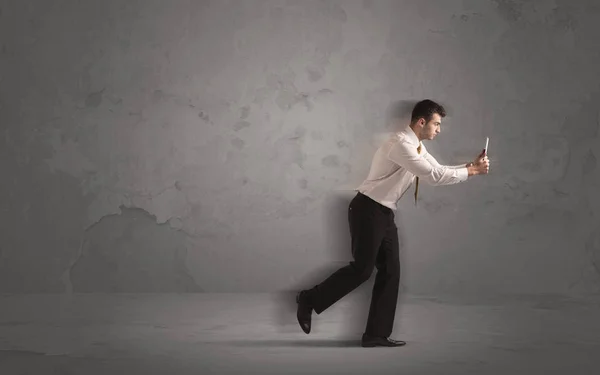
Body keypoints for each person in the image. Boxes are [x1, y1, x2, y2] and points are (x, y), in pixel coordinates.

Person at [296, 99, 490, 347]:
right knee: (362, 270)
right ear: (422, 122)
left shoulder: (417, 146)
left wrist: (470, 166)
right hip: (367, 209)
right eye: (436, 124)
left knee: (391, 271)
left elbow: (437, 168)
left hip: (384, 212)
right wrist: (472, 172)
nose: (439, 130)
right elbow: (433, 176)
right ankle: (308, 299)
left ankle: (375, 335)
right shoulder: (401, 144)